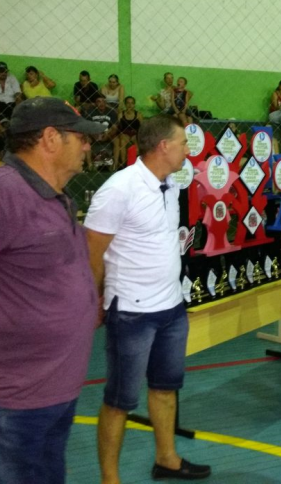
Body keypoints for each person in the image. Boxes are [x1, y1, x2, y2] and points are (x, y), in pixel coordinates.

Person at [0, 97, 104, 484]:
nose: (88, 146)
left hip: (52, 397)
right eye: (80, 138)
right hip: (4, 404)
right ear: (51, 139)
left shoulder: (53, 195)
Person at [85, 115, 211, 483]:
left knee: (166, 386)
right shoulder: (119, 188)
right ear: (163, 147)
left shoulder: (169, 186)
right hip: (132, 313)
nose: (189, 150)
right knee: (119, 400)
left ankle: (167, 458)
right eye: (184, 143)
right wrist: (95, 299)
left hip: (171, 307)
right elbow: (93, 251)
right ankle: (110, 478)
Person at [85, 96, 119, 171]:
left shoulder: (111, 112)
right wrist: (94, 135)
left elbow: (115, 127)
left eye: (103, 101)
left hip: (108, 133)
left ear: (106, 102)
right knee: (86, 140)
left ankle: (115, 165)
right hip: (94, 133)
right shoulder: (90, 112)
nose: (101, 104)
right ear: (95, 103)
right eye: (99, 101)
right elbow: (87, 126)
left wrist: (107, 135)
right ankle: (90, 165)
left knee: (117, 141)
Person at [115, 96, 142, 170]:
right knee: (123, 141)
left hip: (135, 134)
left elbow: (142, 127)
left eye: (132, 103)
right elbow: (118, 127)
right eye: (128, 103)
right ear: (125, 104)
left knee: (136, 143)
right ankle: (124, 164)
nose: (130, 105)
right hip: (124, 134)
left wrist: (137, 136)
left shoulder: (138, 114)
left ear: (134, 104)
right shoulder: (121, 114)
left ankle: (135, 164)